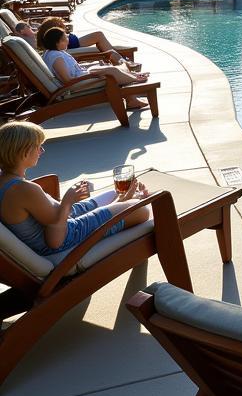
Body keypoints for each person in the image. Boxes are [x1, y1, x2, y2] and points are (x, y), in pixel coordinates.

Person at [0, 120, 152, 257]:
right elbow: (56, 235)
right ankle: (125, 203)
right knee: (141, 210)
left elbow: (47, 216)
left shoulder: (5, 181)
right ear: (24, 151)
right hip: (65, 236)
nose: (42, 151)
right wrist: (68, 200)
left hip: (58, 222)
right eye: (38, 146)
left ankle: (121, 200)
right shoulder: (24, 189)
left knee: (114, 193)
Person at [38, 27, 151, 110]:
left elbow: (74, 69)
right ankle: (135, 80)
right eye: (65, 38)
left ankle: (132, 97)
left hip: (82, 77)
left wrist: (92, 66)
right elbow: (68, 80)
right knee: (113, 71)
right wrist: (94, 74)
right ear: (57, 42)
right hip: (78, 85)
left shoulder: (56, 53)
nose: (68, 39)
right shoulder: (56, 57)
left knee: (115, 67)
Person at [34, 16, 137, 69]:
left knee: (99, 36)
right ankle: (122, 61)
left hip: (69, 41)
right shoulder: (53, 43)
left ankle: (120, 60)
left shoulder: (41, 32)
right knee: (99, 35)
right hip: (71, 43)